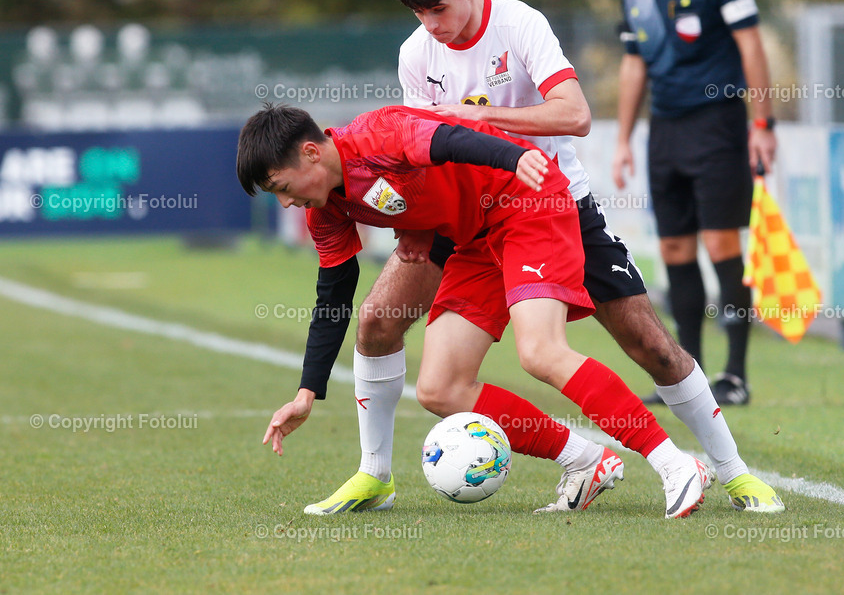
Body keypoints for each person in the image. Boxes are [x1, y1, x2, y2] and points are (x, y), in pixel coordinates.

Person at [312, 0, 782, 515]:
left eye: (439, 9)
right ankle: (560, 462)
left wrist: (477, 117)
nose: (430, 25)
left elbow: (576, 115)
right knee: (407, 351)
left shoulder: (518, 24)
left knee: (650, 346)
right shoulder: (416, 53)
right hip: (470, 224)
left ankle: (733, 473)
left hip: (550, 205)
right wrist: (413, 231)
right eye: (417, 13)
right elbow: (418, 150)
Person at [239, 102, 715, 519]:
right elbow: (333, 297)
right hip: (477, 237)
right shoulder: (324, 209)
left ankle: (675, 464)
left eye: (282, 186)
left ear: (310, 153)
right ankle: (586, 460)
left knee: (540, 353)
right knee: (439, 388)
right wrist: (307, 392)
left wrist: (519, 156)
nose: (285, 202)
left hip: (528, 201)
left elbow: (451, 138)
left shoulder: (377, 135)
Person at [613, 0, 777, 408]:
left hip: (719, 123)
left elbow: (752, 46)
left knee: (720, 243)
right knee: (674, 249)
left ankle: (735, 374)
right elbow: (634, 65)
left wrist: (762, 124)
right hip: (666, 129)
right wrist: (622, 140)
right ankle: (690, 375)